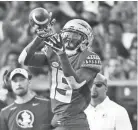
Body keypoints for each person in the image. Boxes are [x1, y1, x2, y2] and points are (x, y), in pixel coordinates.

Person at [18, 8, 101, 130]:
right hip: (58, 117)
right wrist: (39, 38)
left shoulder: (90, 57)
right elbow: (23, 60)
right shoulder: (53, 52)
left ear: (85, 42)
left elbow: (75, 83)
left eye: (75, 36)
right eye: (67, 34)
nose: (69, 39)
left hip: (73, 120)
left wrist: (62, 55)